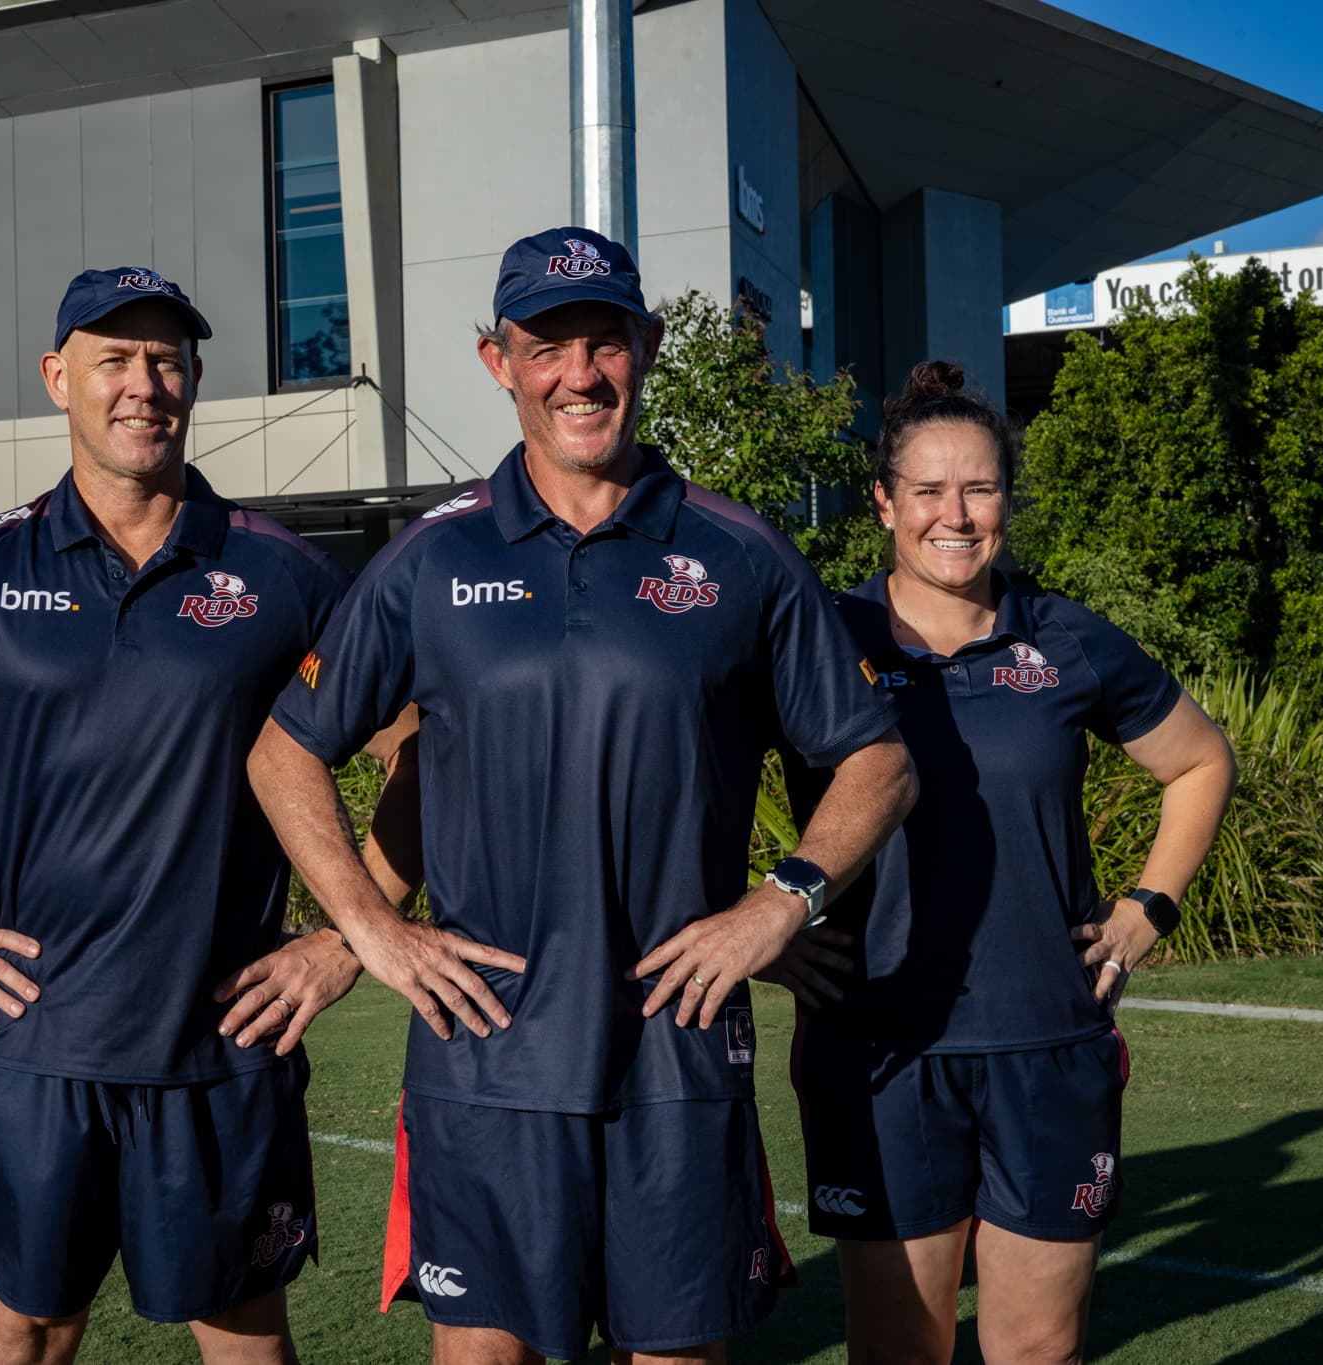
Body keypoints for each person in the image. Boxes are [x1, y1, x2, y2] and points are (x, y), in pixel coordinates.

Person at [248, 226, 918, 1365]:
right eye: (543, 346)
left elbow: (876, 760)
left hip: (677, 1052)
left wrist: (778, 904)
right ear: (495, 360)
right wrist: (369, 932)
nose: (577, 374)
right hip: (484, 1058)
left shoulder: (737, 553)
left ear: (643, 348)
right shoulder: (428, 559)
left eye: (602, 342)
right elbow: (283, 751)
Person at [0, 267, 360, 1365]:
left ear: (192, 379)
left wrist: (344, 941)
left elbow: (422, 743)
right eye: (113, 359)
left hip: (220, 1048)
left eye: (166, 359)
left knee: (243, 1340)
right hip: (31, 1052)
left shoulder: (284, 577)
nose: (143, 384)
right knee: (27, 1334)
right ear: (58, 379)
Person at [779, 361, 1238, 1365]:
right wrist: (762, 930)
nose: (955, 514)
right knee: (902, 1348)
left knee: (1037, 1349)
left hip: (1046, 1042)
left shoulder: (1062, 638)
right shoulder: (818, 638)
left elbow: (1201, 761)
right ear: (883, 502)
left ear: (1003, 502)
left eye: (979, 488)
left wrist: (1144, 909)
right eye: (928, 491)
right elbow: (688, 778)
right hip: (878, 1050)